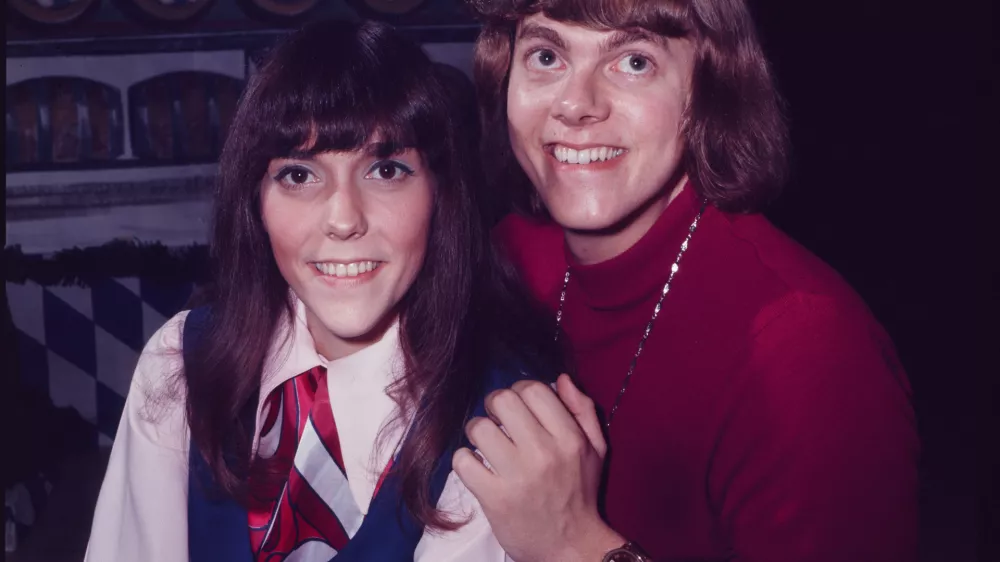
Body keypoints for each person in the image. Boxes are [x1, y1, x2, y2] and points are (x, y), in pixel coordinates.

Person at [452, 1, 920, 561]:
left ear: (710, 92)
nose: (575, 104)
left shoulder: (805, 351)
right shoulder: (510, 254)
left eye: (634, 62)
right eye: (547, 56)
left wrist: (575, 545)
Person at [85, 19, 560, 562]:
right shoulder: (181, 362)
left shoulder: (503, 422)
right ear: (255, 201)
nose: (342, 219)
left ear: (440, 193)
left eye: (385, 169)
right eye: (298, 175)